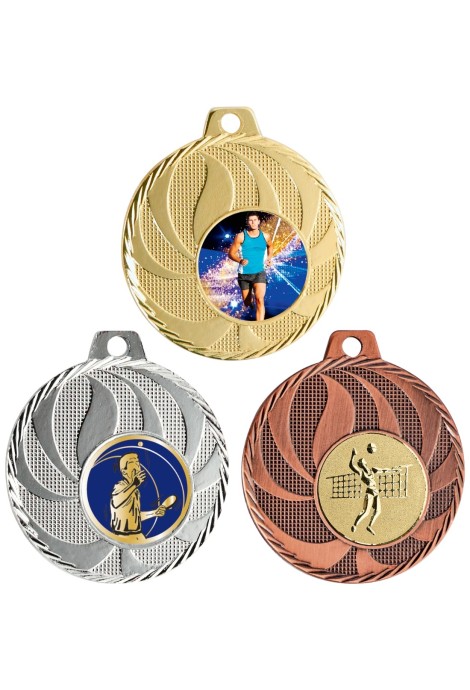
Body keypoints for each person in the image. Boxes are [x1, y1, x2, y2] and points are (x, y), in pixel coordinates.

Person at [110, 452, 172, 541]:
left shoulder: (135, 491)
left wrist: (154, 513)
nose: (137, 466)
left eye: (137, 462)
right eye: (132, 462)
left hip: (137, 536)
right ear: (124, 471)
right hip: (122, 537)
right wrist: (134, 484)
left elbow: (135, 517)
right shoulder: (120, 486)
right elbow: (116, 501)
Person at [228, 212, 273, 321]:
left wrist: (269, 258)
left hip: (259, 273)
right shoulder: (240, 236)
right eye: (250, 220)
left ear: (259, 221)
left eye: (255, 220)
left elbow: (270, 246)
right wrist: (240, 260)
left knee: (260, 300)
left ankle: (260, 325)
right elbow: (231, 253)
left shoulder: (265, 236)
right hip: (244, 274)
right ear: (247, 222)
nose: (253, 222)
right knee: (247, 302)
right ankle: (250, 299)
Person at [349, 444, 390, 535]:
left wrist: (393, 470)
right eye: (360, 462)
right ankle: (355, 525)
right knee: (366, 512)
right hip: (370, 493)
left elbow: (383, 470)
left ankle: (369, 526)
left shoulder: (372, 470)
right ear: (360, 465)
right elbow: (351, 465)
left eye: (362, 461)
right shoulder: (362, 472)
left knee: (378, 511)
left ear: (365, 463)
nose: (362, 462)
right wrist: (353, 455)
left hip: (376, 492)